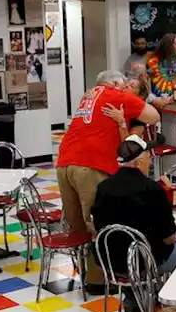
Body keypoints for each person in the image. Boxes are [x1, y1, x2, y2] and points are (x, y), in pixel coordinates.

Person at [57, 70, 157, 293]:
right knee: (98, 220)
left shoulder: (89, 96)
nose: (125, 88)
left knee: (77, 223)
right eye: (123, 84)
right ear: (114, 83)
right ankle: (98, 280)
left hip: (64, 162)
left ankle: (84, 271)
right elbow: (153, 115)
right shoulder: (115, 95)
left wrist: (123, 122)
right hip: (90, 164)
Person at [90, 136, 176, 312]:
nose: (151, 160)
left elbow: (98, 226)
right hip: (144, 262)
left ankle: (133, 300)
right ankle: (168, 309)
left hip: (110, 261)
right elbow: (169, 237)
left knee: (131, 247)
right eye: (148, 157)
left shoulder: (103, 187)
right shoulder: (152, 190)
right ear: (139, 162)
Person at [146, 33, 176, 99]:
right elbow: (145, 79)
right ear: (168, 46)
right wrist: (150, 96)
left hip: (175, 99)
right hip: (159, 101)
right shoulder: (154, 61)